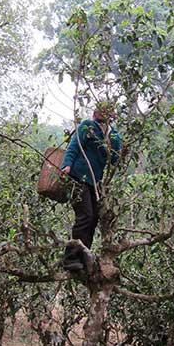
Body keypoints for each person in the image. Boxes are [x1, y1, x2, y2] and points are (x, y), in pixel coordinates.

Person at [61, 103, 122, 271]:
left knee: (94, 217)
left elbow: (115, 159)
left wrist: (114, 139)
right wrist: (67, 165)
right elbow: (74, 146)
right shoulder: (87, 126)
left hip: (94, 182)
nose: (100, 113)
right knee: (85, 216)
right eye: (99, 110)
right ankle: (70, 257)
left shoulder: (113, 134)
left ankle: (82, 256)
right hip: (78, 177)